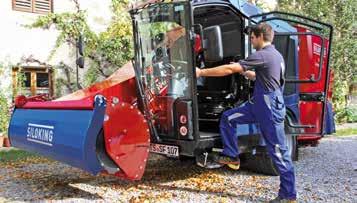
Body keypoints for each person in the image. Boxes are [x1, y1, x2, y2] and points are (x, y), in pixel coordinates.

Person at [196, 23, 297, 203]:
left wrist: (201, 72)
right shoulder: (275, 55)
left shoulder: (262, 55)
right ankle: (232, 155)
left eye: (252, 37)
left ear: (259, 36)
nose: (251, 41)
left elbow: (229, 69)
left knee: (278, 152)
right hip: (259, 104)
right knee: (228, 118)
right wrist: (250, 74)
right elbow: (269, 77)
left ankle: (289, 195)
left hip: (269, 108)